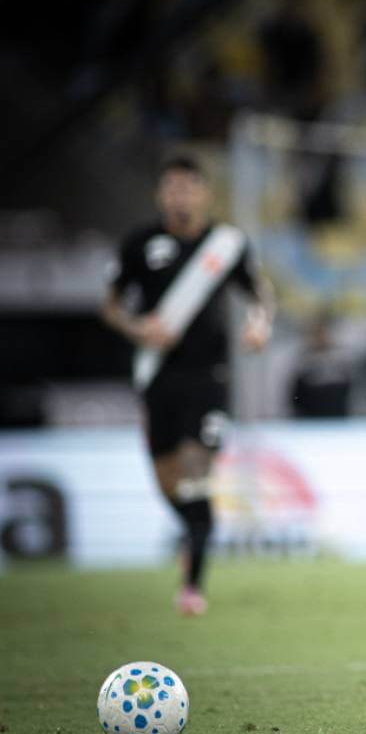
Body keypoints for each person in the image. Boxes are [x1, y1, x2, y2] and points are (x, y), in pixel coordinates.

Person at [101, 155, 274, 616]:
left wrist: (259, 324)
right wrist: (139, 328)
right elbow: (111, 305)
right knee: (168, 483)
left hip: (209, 378)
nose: (180, 195)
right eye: (172, 187)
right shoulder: (140, 243)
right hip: (157, 376)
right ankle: (196, 531)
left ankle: (191, 588)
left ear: (204, 193)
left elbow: (260, 292)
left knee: (198, 474)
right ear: (161, 194)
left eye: (189, 187)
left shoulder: (226, 244)